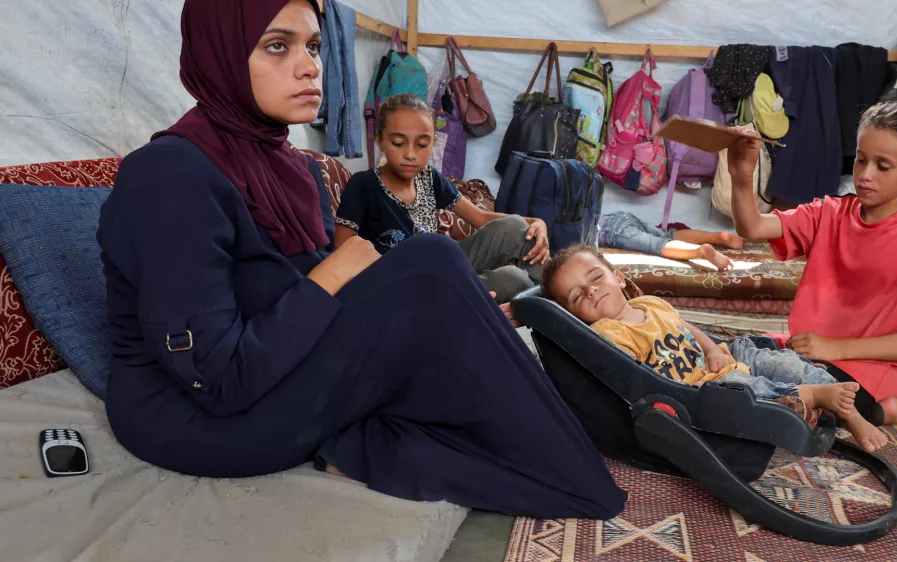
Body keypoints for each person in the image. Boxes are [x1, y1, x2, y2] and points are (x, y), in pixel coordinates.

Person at [96, 0, 626, 520]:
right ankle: (571, 471)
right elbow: (218, 380)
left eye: (315, 46)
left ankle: (582, 433)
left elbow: (294, 292)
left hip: (274, 370)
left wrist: (409, 302)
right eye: (277, 46)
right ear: (222, 54)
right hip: (199, 420)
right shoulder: (169, 177)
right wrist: (342, 270)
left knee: (443, 293)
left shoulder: (284, 166)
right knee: (432, 262)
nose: (310, 66)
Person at [730, 102, 897, 436]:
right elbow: (753, 227)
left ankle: (880, 409)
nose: (865, 175)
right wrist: (741, 178)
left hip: (867, 368)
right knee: (730, 359)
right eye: (860, 159)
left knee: (775, 403)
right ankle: (871, 410)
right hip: (807, 350)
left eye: (883, 166)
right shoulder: (830, 212)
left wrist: (835, 347)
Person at [541, 244, 889, 451]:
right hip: (698, 388)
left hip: (715, 361)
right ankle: (813, 396)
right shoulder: (608, 333)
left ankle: (834, 397)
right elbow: (631, 379)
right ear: (574, 316)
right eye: (576, 297)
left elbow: (689, 328)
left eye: (595, 278)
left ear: (617, 276)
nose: (591, 292)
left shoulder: (649, 302)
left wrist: (712, 349)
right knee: (746, 391)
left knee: (762, 356)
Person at [334, 93, 550, 303]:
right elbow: (341, 250)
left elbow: (480, 218)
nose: (410, 154)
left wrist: (534, 223)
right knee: (514, 280)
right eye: (399, 143)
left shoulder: (429, 177)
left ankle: (557, 303)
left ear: (433, 143)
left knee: (514, 225)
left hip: (442, 264)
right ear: (380, 141)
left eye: (421, 145)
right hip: (403, 284)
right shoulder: (363, 185)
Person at [598, 211, 741, 271]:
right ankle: (717, 237)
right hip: (617, 216)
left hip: (611, 232)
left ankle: (700, 251)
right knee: (668, 234)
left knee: (657, 245)